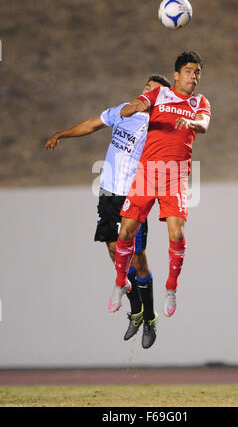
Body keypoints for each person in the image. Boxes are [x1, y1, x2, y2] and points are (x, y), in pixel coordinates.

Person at [45, 75, 171, 349]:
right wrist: (60, 134)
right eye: (146, 87)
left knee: (137, 260)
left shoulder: (158, 125)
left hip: (134, 196)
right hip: (108, 193)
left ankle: (150, 318)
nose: (146, 92)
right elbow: (92, 124)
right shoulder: (124, 111)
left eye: (153, 91)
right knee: (115, 252)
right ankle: (136, 310)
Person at [109, 52, 211, 336]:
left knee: (177, 234)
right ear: (176, 74)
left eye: (198, 72)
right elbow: (141, 103)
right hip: (147, 173)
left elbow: (203, 123)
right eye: (189, 71)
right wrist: (131, 108)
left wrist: (192, 123)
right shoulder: (161, 94)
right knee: (126, 232)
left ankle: (171, 288)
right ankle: (120, 283)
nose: (194, 76)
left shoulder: (199, 102)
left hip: (175, 176)